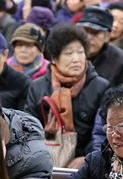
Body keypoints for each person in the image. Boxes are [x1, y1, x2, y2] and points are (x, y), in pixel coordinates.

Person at [24, 24, 110, 169]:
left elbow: (102, 132)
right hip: (43, 161)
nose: (76, 59)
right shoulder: (38, 86)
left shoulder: (100, 87)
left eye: (80, 52)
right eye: (68, 54)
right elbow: (28, 128)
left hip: (84, 165)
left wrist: (87, 158)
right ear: (54, 59)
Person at [77, 6, 123, 87]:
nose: (89, 37)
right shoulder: (67, 53)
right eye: (85, 31)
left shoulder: (120, 61)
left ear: (107, 36)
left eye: (95, 32)